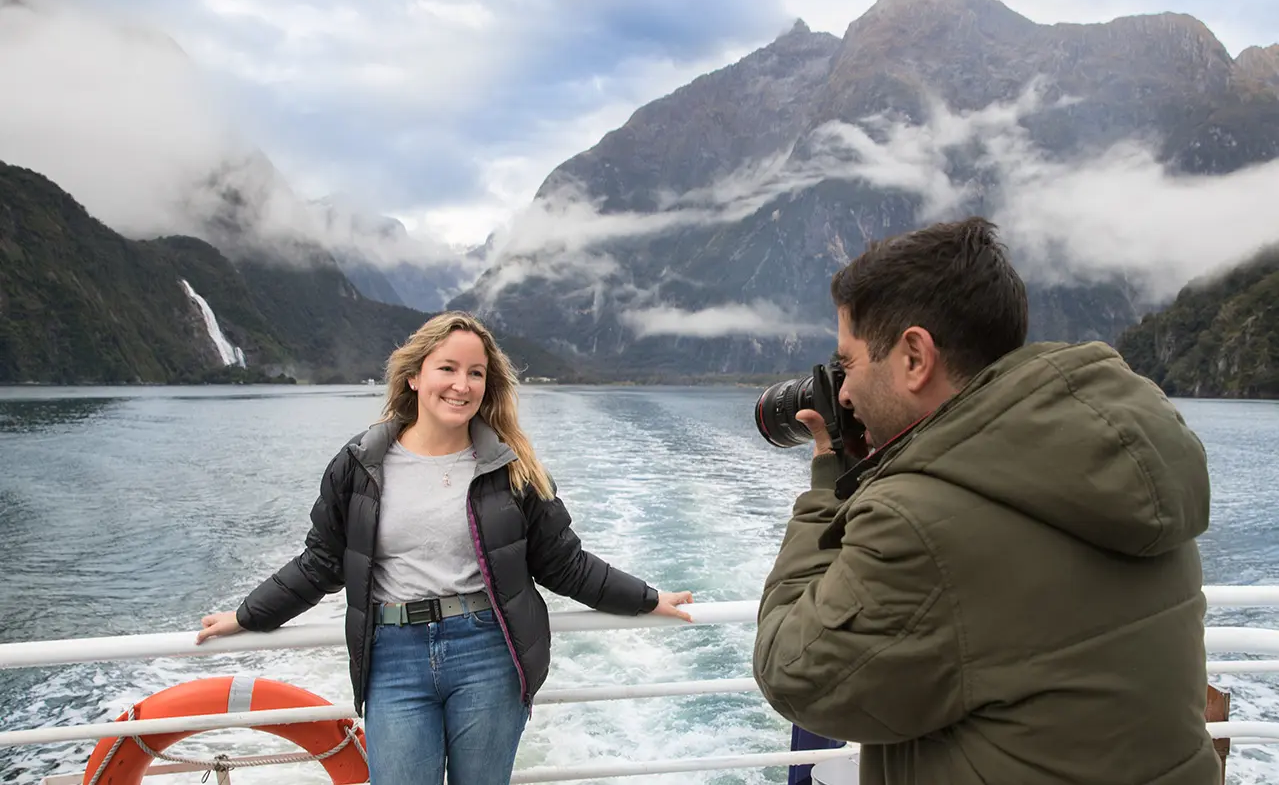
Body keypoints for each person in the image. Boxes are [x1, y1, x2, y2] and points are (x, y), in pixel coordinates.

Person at [752, 217, 1219, 784]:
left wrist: (829, 487)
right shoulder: (1133, 459)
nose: (843, 392)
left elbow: (792, 671)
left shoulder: (917, 521)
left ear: (915, 357)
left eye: (848, 363)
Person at [196, 311, 694, 785]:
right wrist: (246, 615)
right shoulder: (358, 465)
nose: (462, 385)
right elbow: (322, 561)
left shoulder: (510, 467)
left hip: (487, 652)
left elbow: (563, 563)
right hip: (393, 656)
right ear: (414, 376)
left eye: (475, 372)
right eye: (448, 368)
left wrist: (648, 598)